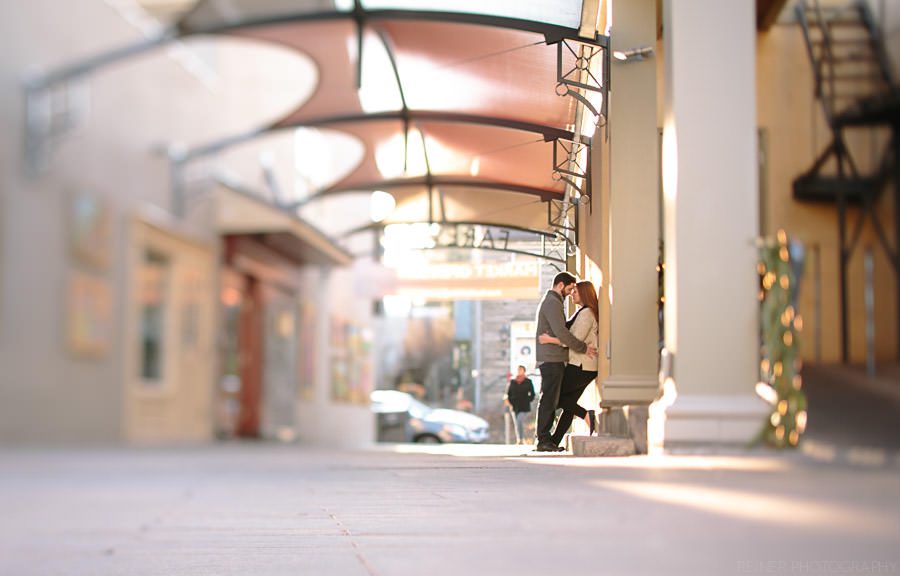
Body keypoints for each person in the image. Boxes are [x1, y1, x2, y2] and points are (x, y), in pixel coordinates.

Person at [534, 272, 597, 452]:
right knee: (552, 398)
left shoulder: (575, 309)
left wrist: (551, 340)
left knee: (559, 398)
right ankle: (547, 440)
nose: (571, 294)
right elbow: (564, 333)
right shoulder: (553, 303)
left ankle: (549, 441)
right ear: (561, 285)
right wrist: (582, 347)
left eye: (575, 291)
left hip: (577, 362)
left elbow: (564, 333)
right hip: (555, 359)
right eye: (570, 289)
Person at [504, 366, 535, 444]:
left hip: (524, 406)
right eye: (518, 370)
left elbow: (532, 394)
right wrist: (510, 402)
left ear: (524, 371)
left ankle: (521, 438)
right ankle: (519, 439)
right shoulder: (512, 381)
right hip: (514, 405)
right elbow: (508, 393)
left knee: (519, 420)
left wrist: (528, 400)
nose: (519, 371)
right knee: (517, 423)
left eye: (521, 370)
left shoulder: (528, 381)